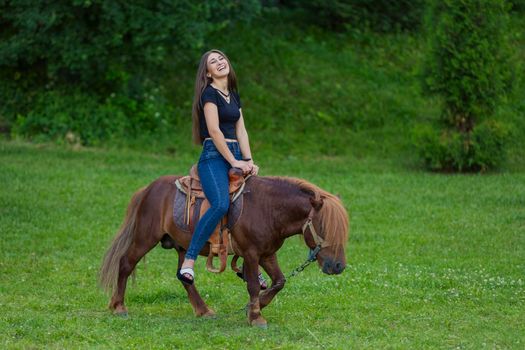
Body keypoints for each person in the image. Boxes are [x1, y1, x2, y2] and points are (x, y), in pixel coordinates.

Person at [177, 49, 265, 287]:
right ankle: (190, 260)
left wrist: (248, 160)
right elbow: (215, 131)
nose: (219, 63)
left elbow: (241, 130)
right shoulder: (209, 94)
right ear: (207, 72)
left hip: (236, 154)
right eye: (213, 62)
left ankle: (250, 266)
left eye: (222, 58)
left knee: (254, 205)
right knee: (220, 204)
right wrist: (234, 161)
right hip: (214, 157)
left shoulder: (233, 95)